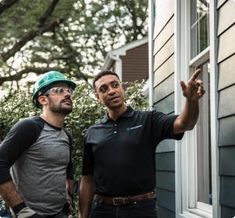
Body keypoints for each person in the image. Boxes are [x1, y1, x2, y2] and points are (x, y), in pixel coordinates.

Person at [78, 69, 205, 218]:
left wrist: (191, 101)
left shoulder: (148, 120)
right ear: (98, 97)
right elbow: (87, 179)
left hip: (140, 209)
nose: (111, 91)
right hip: (102, 210)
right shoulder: (92, 132)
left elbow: (185, 124)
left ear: (121, 87)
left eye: (114, 85)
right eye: (104, 89)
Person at [0, 71, 77, 218]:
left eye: (69, 90)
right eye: (59, 90)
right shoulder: (29, 127)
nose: (67, 94)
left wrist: (68, 198)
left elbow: (67, 168)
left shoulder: (66, 135)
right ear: (43, 100)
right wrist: (20, 209)